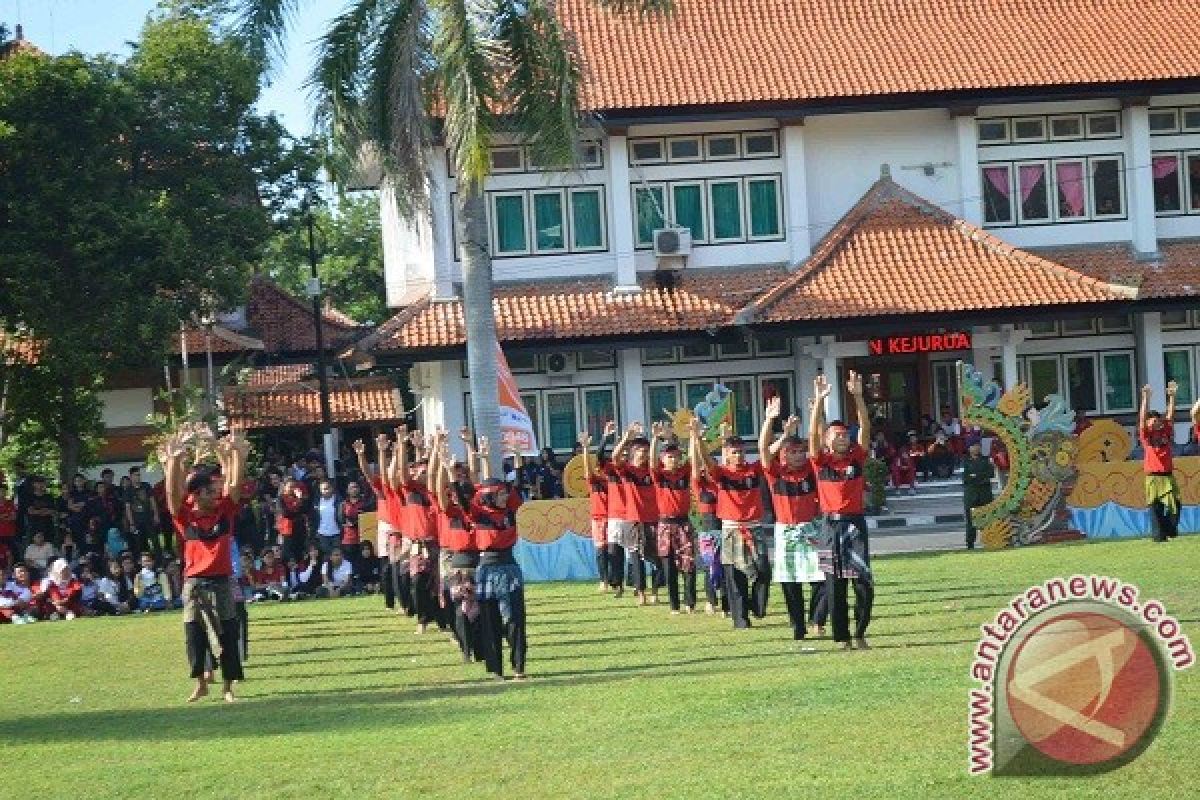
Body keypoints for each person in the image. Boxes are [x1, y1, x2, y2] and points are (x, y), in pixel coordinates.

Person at [163, 428, 249, 703]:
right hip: (194, 583)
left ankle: (228, 687)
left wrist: (237, 453)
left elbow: (235, 485)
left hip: (222, 580)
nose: (217, 493)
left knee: (229, 631)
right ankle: (201, 683)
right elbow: (171, 495)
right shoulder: (185, 516)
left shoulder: (224, 509)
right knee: (194, 633)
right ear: (197, 494)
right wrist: (174, 461)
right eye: (211, 491)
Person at [809, 372, 874, 650]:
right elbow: (812, 434)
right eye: (837, 435)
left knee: (862, 583)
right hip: (829, 526)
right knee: (834, 585)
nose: (843, 439)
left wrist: (858, 397)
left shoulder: (857, 458)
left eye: (845, 435)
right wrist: (819, 403)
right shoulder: (820, 461)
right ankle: (842, 638)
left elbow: (866, 427)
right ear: (827, 441)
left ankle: (860, 632)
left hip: (855, 524)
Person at [689, 415, 766, 630]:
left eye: (741, 451)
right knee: (733, 576)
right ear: (727, 456)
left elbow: (769, 452)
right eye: (734, 452)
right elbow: (704, 461)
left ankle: (757, 607)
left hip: (754, 528)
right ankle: (740, 618)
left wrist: (774, 425)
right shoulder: (720, 475)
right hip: (730, 529)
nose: (739, 455)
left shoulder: (753, 470)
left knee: (762, 571)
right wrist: (696, 438)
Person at [761, 397, 824, 641]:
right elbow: (764, 450)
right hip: (785, 530)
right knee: (790, 582)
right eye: (792, 452)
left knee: (821, 578)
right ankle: (798, 625)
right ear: (783, 455)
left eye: (800, 452)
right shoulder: (775, 473)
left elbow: (819, 442)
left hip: (812, 529)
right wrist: (769, 420)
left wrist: (817, 412)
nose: (797, 456)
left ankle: (817, 619)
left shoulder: (812, 470)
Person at [470, 436, 526, 680]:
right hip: (486, 568)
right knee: (490, 620)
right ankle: (496, 670)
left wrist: (516, 457)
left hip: (509, 566)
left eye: (505, 493)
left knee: (515, 618)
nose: (505, 496)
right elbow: (479, 487)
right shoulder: (478, 513)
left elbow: (518, 481)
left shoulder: (511, 510)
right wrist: (482, 459)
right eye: (500, 494)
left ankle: (518, 667)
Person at [432, 431, 482, 664]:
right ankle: (465, 647)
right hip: (454, 561)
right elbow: (437, 483)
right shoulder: (449, 509)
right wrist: (441, 457)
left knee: (479, 608)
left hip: (477, 561)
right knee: (458, 606)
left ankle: (479, 645)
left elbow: (474, 475)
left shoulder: (477, 509)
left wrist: (470, 446)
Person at [650, 423, 697, 614]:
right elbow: (651, 463)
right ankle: (674, 605)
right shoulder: (659, 475)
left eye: (676, 456)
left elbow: (693, 459)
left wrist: (694, 436)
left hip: (683, 523)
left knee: (689, 563)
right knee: (668, 566)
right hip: (665, 524)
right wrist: (654, 439)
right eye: (670, 457)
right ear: (663, 458)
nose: (674, 460)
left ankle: (690, 602)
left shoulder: (684, 473)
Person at [610, 423, 659, 605]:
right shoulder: (627, 471)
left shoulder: (653, 469)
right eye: (640, 450)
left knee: (656, 557)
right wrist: (625, 439)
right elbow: (615, 457)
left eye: (646, 450)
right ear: (632, 452)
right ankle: (641, 592)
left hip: (654, 518)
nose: (644, 453)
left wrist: (658, 439)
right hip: (633, 520)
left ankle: (655, 590)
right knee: (636, 556)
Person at [689, 437, 726, 617]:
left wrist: (725, 437)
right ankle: (711, 601)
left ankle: (727, 604)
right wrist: (695, 440)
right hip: (707, 529)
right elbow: (695, 465)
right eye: (704, 468)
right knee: (710, 566)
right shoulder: (699, 486)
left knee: (726, 565)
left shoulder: (720, 484)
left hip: (724, 526)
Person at [1140, 382, 1180, 543]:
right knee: (1155, 508)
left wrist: (1172, 396)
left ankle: (1170, 530)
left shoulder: (1166, 431)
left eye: (1157, 420)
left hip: (1168, 476)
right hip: (1153, 477)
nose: (1155, 423)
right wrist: (1145, 398)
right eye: (1153, 421)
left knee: (1175, 505)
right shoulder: (1146, 435)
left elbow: (1170, 415)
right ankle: (1159, 536)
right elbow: (1142, 417)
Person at [580, 424, 615, 592]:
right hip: (599, 518)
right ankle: (604, 580)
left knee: (614, 550)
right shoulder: (594, 481)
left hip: (614, 518)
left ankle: (615, 580)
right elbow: (587, 468)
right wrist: (585, 449)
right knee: (601, 550)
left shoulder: (613, 480)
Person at [962, 441, 994, 550]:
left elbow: (990, 474)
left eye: (978, 446)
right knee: (970, 520)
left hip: (984, 493)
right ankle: (970, 543)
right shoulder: (965, 461)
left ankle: (989, 540)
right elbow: (966, 477)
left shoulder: (985, 460)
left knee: (987, 518)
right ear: (969, 448)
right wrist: (979, 476)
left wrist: (975, 476)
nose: (976, 448)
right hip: (971, 495)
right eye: (974, 446)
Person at [314, 479, 342, 557]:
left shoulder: (338, 500)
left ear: (332, 488)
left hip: (336, 533)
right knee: (326, 556)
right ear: (320, 490)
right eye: (323, 489)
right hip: (322, 534)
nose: (326, 491)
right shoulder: (317, 501)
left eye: (327, 488)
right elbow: (315, 517)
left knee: (337, 556)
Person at [0, 484, 18, 564]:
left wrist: (3, 517)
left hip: (10, 533)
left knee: (11, 553)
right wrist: (7, 516)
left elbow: (14, 517)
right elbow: (10, 516)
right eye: (0, 491)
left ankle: (10, 571)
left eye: (3, 491)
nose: (2, 493)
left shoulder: (10, 503)